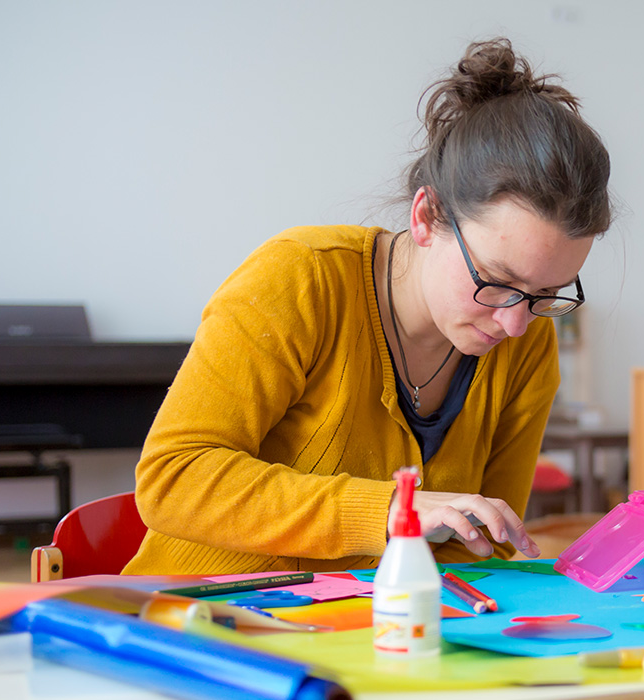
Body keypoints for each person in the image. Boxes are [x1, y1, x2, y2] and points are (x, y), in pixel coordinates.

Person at [123, 38, 612, 575]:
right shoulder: (301, 278)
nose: (516, 323)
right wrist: (390, 510)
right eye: (496, 282)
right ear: (426, 218)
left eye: (548, 294)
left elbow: (484, 543)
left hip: (363, 633)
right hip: (198, 621)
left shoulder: (526, 339)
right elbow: (173, 478)